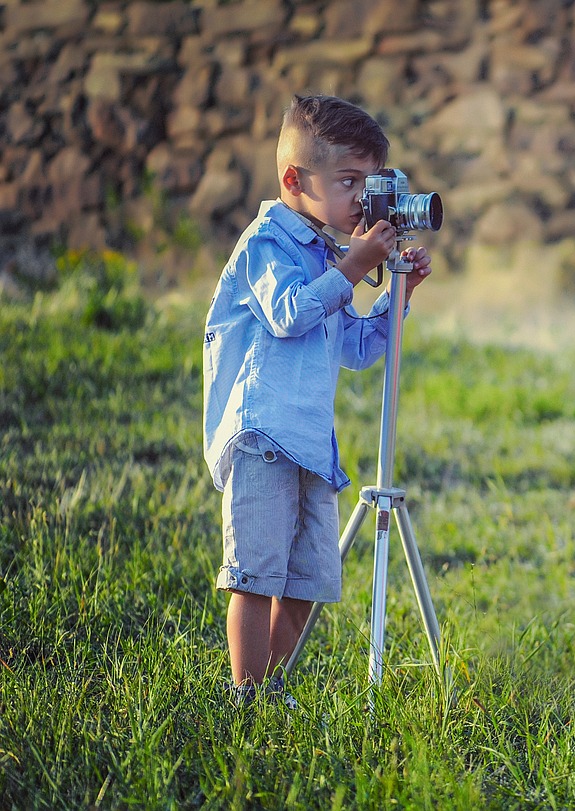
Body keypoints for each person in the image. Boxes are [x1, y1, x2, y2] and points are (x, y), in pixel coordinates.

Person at [202, 94, 432, 707]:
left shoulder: (329, 254)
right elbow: (288, 314)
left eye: (370, 183)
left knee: (306, 580)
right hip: (263, 436)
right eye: (348, 181)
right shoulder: (268, 244)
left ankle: (273, 690)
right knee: (255, 574)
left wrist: (398, 295)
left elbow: (356, 348)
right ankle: (246, 695)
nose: (362, 198)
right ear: (293, 180)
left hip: (310, 443)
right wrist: (354, 268)